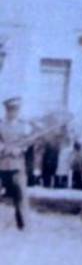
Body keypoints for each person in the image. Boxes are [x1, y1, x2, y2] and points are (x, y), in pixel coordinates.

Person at [0, 97, 33, 230]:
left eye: (15, 110)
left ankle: (23, 222)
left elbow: (28, 142)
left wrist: (19, 150)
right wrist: (2, 148)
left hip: (17, 165)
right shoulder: (0, 124)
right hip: (1, 164)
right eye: (10, 109)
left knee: (21, 194)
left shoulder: (24, 126)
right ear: (6, 110)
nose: (12, 112)